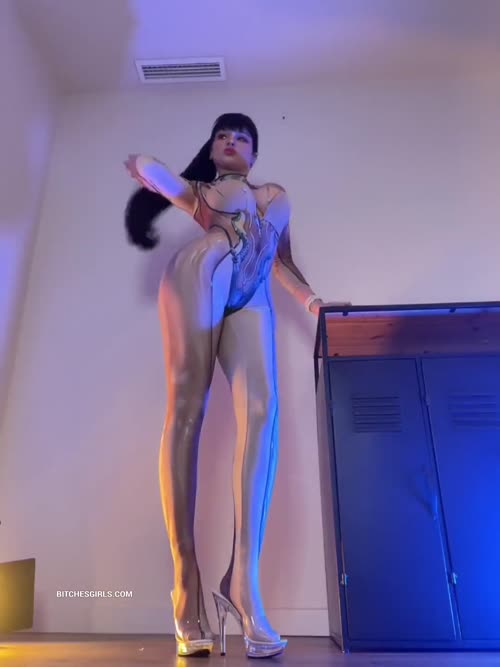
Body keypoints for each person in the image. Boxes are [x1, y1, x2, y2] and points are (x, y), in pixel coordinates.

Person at [124, 113, 344, 658]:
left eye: (241, 136)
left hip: (253, 297)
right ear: (212, 149)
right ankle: (185, 583)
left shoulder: (276, 198)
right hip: (202, 271)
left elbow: (280, 261)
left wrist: (314, 303)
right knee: (186, 411)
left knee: (263, 414)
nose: (230, 141)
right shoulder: (203, 191)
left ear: (254, 153)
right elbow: (163, 177)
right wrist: (147, 169)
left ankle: (243, 582)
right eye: (222, 135)